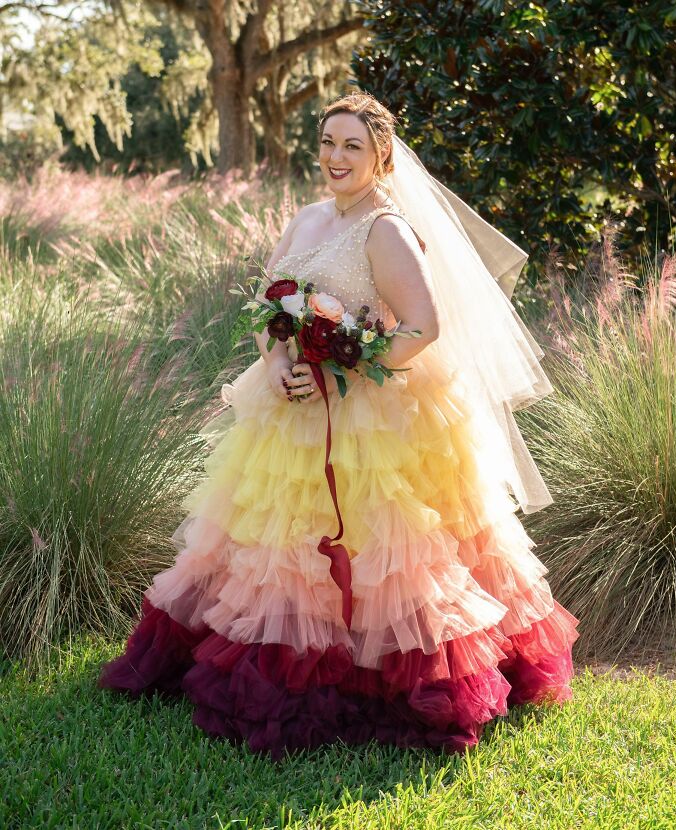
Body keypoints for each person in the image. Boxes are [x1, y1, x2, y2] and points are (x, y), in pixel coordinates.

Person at [98, 91, 579, 758]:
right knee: (281, 546)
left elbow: (422, 327)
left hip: (371, 419)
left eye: (352, 145)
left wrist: (347, 363)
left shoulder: (386, 229)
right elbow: (273, 307)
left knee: (387, 551)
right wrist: (279, 364)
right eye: (328, 142)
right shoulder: (305, 221)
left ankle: (386, 680)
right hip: (292, 406)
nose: (335, 156)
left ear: (381, 154)